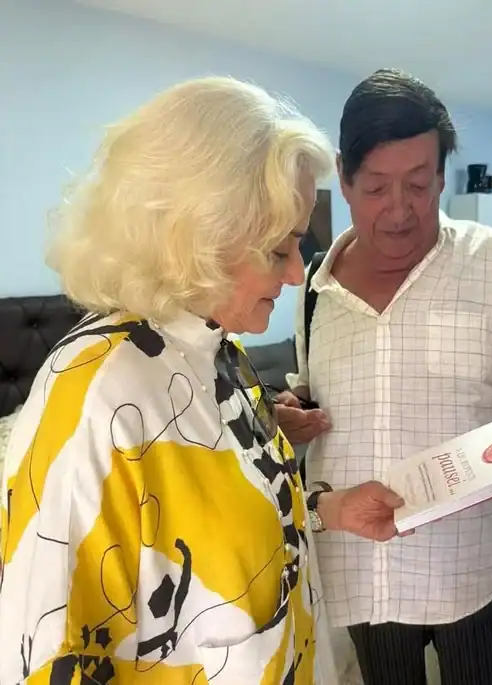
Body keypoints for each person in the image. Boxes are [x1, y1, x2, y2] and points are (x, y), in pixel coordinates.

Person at [0, 77, 406, 685]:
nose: (297, 273)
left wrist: (327, 509)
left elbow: (229, 521)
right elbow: (46, 659)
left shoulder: (219, 349)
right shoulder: (95, 400)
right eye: (279, 250)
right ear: (197, 239)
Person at [283, 69, 492, 685]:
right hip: (363, 565)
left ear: (442, 176)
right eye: (376, 187)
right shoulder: (313, 286)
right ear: (343, 177)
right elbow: (311, 386)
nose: (400, 210)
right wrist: (294, 407)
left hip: (470, 565)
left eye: (419, 184)